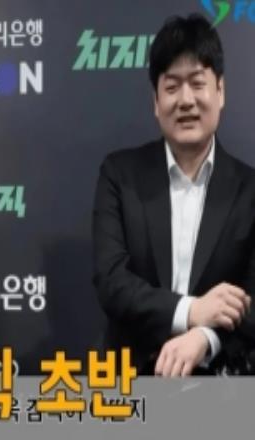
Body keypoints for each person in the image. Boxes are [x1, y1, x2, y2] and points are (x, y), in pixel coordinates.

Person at [92, 13, 255, 376]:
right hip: (129, 380)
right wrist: (191, 311)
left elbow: (252, 300)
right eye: (172, 87)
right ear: (156, 101)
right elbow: (111, 281)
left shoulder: (250, 190)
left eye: (197, 83)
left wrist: (206, 337)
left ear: (220, 91)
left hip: (220, 385)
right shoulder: (119, 175)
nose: (186, 100)